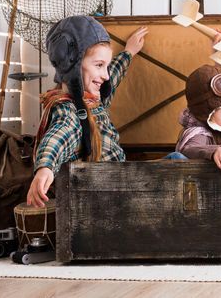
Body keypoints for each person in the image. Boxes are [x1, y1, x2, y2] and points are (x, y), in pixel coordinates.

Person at [27, 15, 148, 207]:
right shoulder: (68, 109)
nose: (105, 75)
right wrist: (46, 167)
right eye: (99, 65)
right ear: (73, 66)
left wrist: (128, 52)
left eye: (105, 66)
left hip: (120, 186)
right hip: (105, 201)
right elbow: (60, 134)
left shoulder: (92, 100)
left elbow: (113, 75)